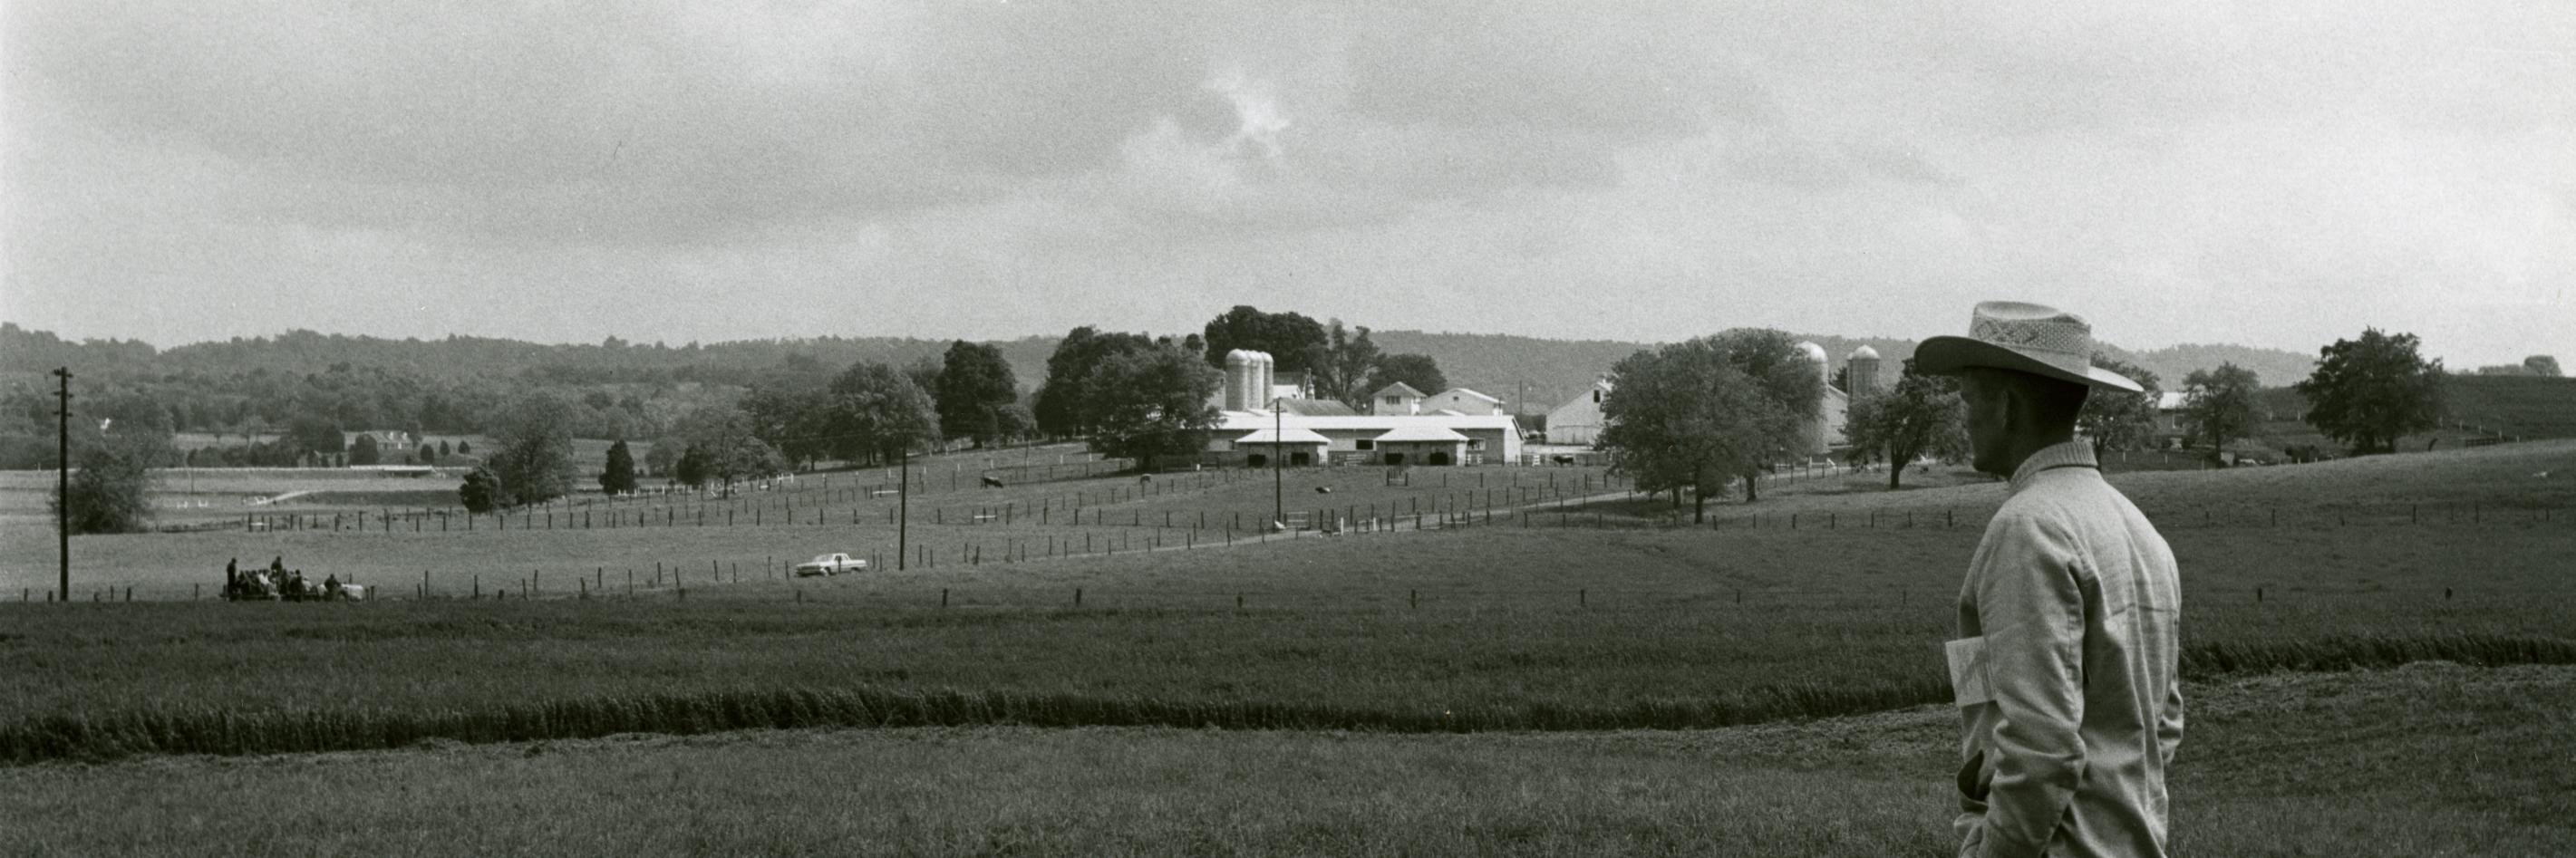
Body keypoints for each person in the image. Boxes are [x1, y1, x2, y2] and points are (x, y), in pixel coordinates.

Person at [1914, 301, 2184, 858]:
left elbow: (2040, 747)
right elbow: (2166, 720)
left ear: (2007, 407)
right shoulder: (2139, 530)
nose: (1962, 418)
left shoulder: (2029, 528)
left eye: (1968, 398)